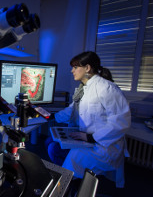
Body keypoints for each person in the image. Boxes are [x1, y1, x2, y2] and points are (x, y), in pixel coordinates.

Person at [46, 51, 131, 188]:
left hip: (102, 145)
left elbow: (121, 122)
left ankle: (71, 184)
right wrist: (51, 116)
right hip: (87, 138)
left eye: (75, 67)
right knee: (49, 141)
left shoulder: (107, 88)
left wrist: (91, 138)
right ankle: (68, 175)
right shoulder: (84, 89)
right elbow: (72, 110)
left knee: (57, 150)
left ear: (87, 68)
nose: (71, 70)